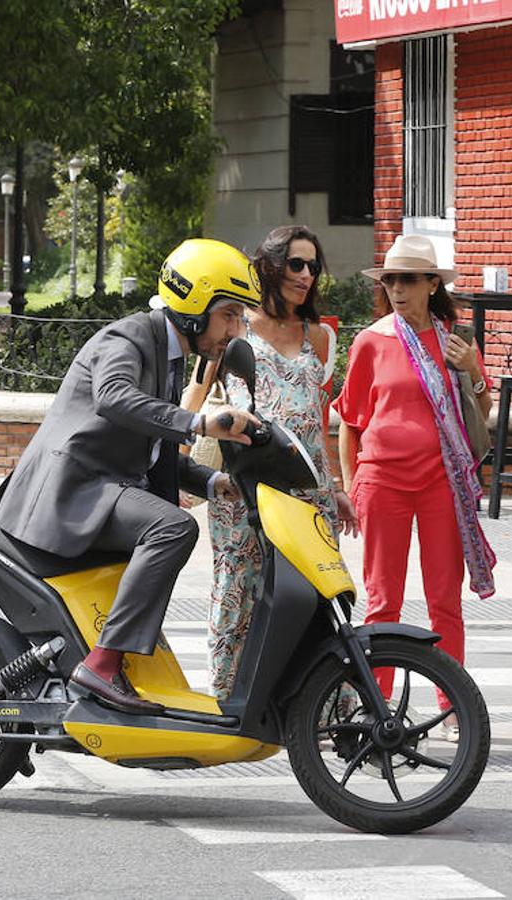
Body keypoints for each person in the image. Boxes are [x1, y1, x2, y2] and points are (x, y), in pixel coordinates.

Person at [0, 238, 260, 714]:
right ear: (193, 306)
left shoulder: (171, 356)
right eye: (229, 315)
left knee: (170, 523)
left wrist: (212, 483)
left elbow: (150, 446)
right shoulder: (130, 337)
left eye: (240, 318)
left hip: (102, 487)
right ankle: (102, 664)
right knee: (173, 527)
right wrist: (200, 422)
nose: (235, 331)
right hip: (72, 490)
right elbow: (113, 398)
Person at [185, 225, 359, 699]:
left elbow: (316, 418)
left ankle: (320, 705)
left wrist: (337, 486)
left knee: (315, 591)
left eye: (313, 267)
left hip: (308, 485)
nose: (306, 276)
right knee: (239, 586)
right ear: (271, 266)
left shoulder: (320, 336)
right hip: (246, 485)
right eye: (296, 264)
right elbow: (194, 398)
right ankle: (229, 700)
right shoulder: (234, 326)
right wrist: (174, 464)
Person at [334, 234, 496, 739]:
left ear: (432, 284)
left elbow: (481, 413)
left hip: (442, 481)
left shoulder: (456, 339)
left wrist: (471, 368)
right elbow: (349, 421)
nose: (398, 288)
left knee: (444, 597)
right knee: (384, 598)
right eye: (390, 280)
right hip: (382, 479)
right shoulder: (371, 340)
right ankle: (375, 701)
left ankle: (452, 707)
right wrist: (349, 483)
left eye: (408, 279)